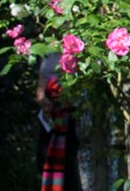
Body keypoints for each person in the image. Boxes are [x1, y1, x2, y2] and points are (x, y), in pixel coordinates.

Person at [36, 54, 82, 190]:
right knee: (44, 158)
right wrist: (42, 97)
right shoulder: (45, 48)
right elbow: (42, 78)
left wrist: (65, 97)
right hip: (50, 115)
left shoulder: (79, 48)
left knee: (70, 164)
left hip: (73, 112)